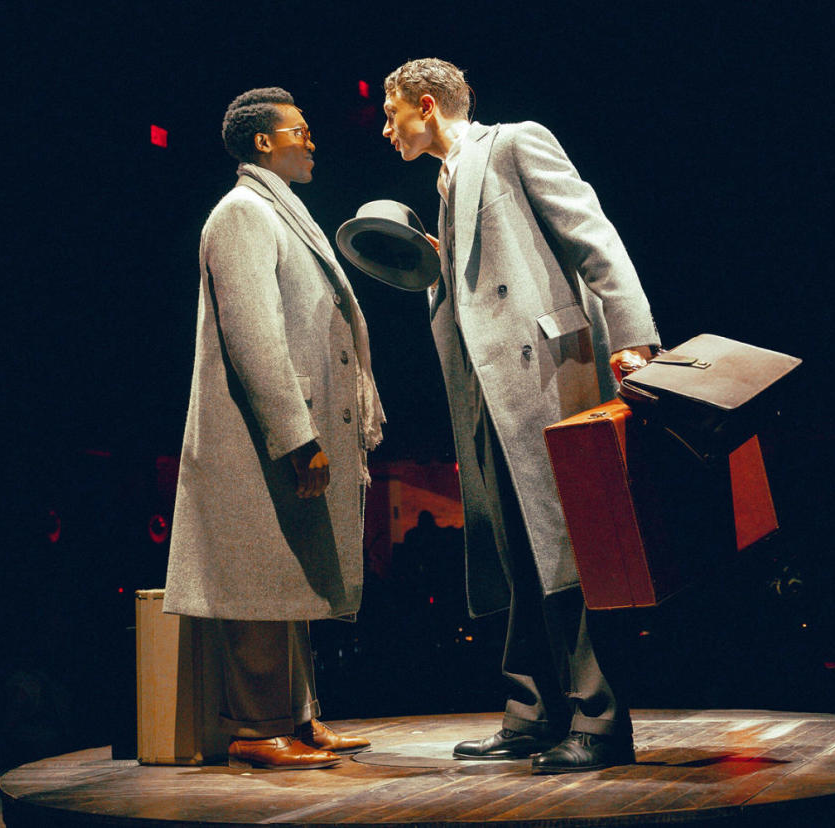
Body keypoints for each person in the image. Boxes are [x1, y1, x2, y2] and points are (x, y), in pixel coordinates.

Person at [380, 58, 660, 773]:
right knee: (511, 551)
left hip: (543, 374)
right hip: (483, 387)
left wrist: (633, 335)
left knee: (565, 545)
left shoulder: (513, 143)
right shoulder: (443, 182)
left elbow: (590, 231)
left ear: (427, 106)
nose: (386, 130)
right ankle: (532, 712)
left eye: (393, 116)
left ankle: (598, 720)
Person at [164, 87, 384, 770]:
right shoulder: (241, 215)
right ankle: (259, 730)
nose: (312, 141)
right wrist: (296, 435)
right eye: (301, 131)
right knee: (260, 580)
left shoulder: (275, 211)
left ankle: (299, 717)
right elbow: (253, 332)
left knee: (292, 574)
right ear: (265, 142)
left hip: (287, 428)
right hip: (260, 436)